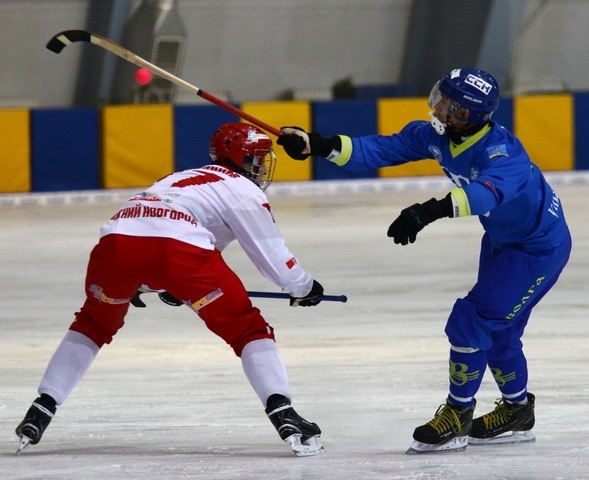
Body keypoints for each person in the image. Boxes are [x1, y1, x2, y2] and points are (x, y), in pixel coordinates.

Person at [277, 68, 572, 454]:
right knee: (498, 333)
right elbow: (380, 149)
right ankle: (518, 411)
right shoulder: (436, 135)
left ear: (468, 115)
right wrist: (318, 144)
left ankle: (457, 414)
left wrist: (428, 211)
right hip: (502, 241)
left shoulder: (504, 153)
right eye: (440, 95)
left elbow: (486, 196)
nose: (437, 105)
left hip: (537, 249)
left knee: (471, 321)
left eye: (447, 103)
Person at [15, 122, 326, 457]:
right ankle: (283, 413)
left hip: (115, 245)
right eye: (257, 159)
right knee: (247, 328)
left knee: (92, 323)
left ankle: (42, 407)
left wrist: (151, 282)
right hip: (179, 253)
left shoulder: (175, 179)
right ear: (241, 159)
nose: (261, 167)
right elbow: (273, 260)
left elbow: (157, 232)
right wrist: (305, 287)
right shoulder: (243, 189)